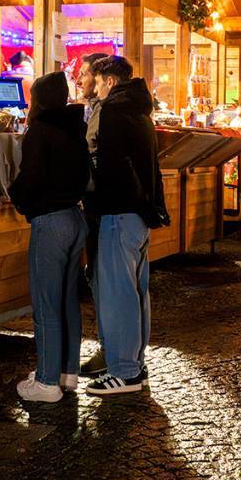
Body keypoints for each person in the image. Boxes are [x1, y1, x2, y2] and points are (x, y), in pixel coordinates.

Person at [87, 57, 168, 396]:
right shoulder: (139, 110)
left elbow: (113, 167)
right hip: (138, 214)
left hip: (119, 212)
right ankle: (135, 365)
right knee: (134, 292)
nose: (94, 86)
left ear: (107, 80)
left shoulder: (113, 111)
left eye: (96, 80)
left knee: (119, 294)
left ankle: (124, 372)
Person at [10, 72, 90, 403]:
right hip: (75, 217)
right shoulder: (76, 130)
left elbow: (30, 179)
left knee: (46, 305)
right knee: (68, 300)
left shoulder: (39, 132)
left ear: (38, 100)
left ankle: (46, 382)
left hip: (51, 223)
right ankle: (67, 373)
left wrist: (17, 197)